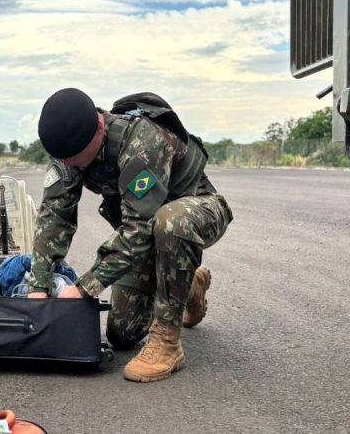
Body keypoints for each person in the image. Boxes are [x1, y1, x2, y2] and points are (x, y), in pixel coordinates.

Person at [27, 88, 233, 382]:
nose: (71, 166)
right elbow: (53, 218)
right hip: (149, 232)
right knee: (122, 334)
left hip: (197, 212)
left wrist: (82, 289)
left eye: (76, 159)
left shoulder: (141, 142)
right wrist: (39, 287)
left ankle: (167, 343)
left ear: (99, 127)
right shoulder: (68, 154)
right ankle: (190, 283)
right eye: (64, 160)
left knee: (168, 222)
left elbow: (137, 232)